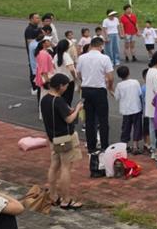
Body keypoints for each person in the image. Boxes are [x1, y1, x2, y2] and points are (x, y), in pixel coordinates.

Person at [40, 73, 83, 210]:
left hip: (53, 137)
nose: (66, 88)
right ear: (60, 86)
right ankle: (66, 200)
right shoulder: (58, 101)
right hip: (64, 138)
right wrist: (77, 109)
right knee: (66, 168)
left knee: (54, 166)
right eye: (65, 86)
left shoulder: (45, 99)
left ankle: (53, 196)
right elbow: (69, 119)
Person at [75, 36, 114, 153]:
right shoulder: (105, 58)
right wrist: (110, 87)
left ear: (91, 45)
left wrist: (85, 80)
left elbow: (78, 74)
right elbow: (110, 77)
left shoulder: (82, 58)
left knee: (89, 119)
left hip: (86, 90)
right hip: (99, 90)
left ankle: (91, 147)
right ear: (101, 46)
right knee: (103, 120)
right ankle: (104, 146)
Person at [115, 65, 144, 154]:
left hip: (126, 110)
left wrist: (110, 90)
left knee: (126, 128)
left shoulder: (119, 85)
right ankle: (135, 146)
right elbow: (140, 93)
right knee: (137, 127)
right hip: (136, 108)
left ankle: (125, 145)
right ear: (129, 73)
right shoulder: (135, 82)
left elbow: (117, 97)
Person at [24, 12, 43, 94]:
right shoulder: (29, 29)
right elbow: (30, 42)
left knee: (39, 68)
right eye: (37, 18)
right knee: (33, 69)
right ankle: (34, 87)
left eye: (39, 18)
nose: (39, 19)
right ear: (31, 19)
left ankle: (39, 83)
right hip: (33, 53)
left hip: (39, 52)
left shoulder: (37, 28)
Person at [34, 36, 55, 106]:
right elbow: (43, 69)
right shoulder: (43, 53)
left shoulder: (43, 52)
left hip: (45, 77)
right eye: (48, 41)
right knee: (45, 96)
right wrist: (47, 81)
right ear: (43, 43)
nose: (50, 42)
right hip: (46, 78)